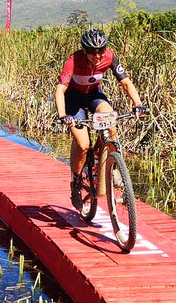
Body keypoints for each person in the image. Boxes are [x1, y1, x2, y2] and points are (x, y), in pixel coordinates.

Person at [54, 28, 144, 209]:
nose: (98, 56)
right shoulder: (73, 60)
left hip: (94, 95)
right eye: (93, 52)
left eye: (101, 51)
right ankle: (76, 183)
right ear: (84, 50)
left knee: (111, 122)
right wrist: (63, 116)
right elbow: (60, 90)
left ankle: (114, 166)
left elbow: (125, 82)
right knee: (82, 144)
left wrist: (138, 104)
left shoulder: (109, 57)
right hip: (73, 99)